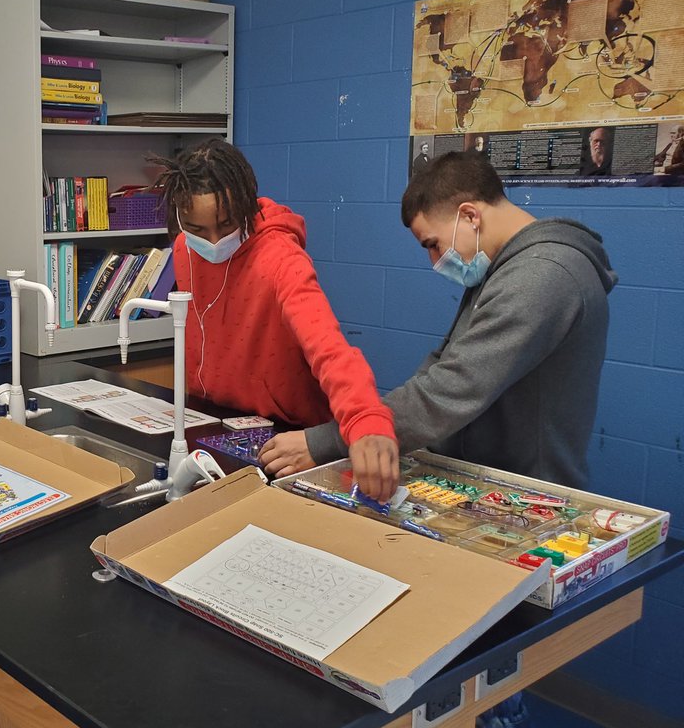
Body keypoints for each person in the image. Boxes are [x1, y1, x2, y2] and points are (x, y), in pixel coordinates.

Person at [261, 150, 616, 492]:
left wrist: (333, 440)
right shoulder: (504, 267)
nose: (435, 260)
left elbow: (452, 388)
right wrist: (366, 424)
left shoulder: (543, 275)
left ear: (470, 216)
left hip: (524, 491)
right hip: (478, 477)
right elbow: (440, 364)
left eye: (433, 243)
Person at [150, 138, 398, 498]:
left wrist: (366, 419)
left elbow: (328, 347)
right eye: (198, 229)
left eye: (226, 224)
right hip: (218, 425)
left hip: (287, 435)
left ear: (246, 208)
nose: (215, 241)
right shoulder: (184, 249)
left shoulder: (281, 258)